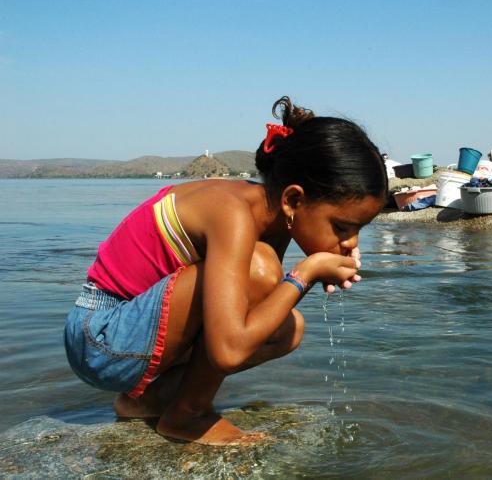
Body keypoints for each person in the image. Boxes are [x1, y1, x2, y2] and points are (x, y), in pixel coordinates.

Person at [64, 96, 388, 446]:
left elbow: (250, 314)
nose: (350, 243)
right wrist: (307, 272)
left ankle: (145, 401)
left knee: (286, 329)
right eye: (341, 227)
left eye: (358, 230)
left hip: (129, 334)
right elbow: (228, 350)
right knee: (263, 272)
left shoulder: (271, 217)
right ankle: (187, 416)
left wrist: (309, 273)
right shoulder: (232, 214)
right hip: (99, 339)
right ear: (294, 200)